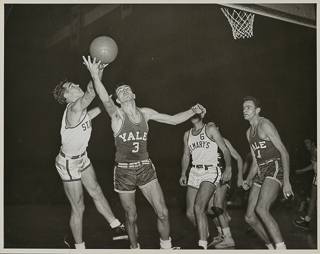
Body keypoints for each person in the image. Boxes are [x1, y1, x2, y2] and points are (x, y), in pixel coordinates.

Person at [82, 55, 206, 249]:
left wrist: (192, 111)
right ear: (118, 99)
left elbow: (172, 120)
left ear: (133, 95)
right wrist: (95, 77)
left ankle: (166, 248)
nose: (124, 91)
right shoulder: (117, 115)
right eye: (120, 91)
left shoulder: (145, 113)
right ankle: (135, 249)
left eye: (127, 89)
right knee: (131, 217)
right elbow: (105, 98)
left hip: (145, 168)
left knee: (163, 212)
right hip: (124, 172)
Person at [52, 68, 128, 249]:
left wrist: (106, 101)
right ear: (67, 96)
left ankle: (116, 226)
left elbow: (96, 109)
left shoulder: (82, 111)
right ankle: (79, 247)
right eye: (71, 86)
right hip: (68, 163)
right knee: (79, 207)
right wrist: (96, 72)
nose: (76, 84)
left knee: (96, 191)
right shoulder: (73, 108)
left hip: (82, 158)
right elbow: (91, 91)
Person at [242, 96, 294, 250]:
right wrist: (249, 179)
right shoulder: (248, 132)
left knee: (261, 209)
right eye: (243, 107)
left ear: (257, 110)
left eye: (248, 107)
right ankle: (271, 248)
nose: (244, 110)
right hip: (261, 170)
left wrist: (286, 182)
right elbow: (256, 161)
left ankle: (282, 249)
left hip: (274, 166)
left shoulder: (265, 125)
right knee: (250, 217)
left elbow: (284, 152)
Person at [179, 113, 232, 249]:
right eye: (192, 112)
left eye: (197, 111)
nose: (194, 114)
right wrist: (183, 173)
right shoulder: (187, 134)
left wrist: (228, 168)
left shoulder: (210, 129)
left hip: (210, 171)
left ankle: (202, 245)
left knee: (199, 207)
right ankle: (206, 234)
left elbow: (225, 149)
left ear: (203, 113)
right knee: (190, 213)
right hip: (194, 172)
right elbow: (186, 155)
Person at [206, 135, 243, 248]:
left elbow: (239, 158)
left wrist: (240, 176)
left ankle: (228, 237)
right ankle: (221, 233)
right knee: (209, 210)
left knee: (217, 206)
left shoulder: (223, 141)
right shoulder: (204, 140)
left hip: (223, 175)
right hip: (210, 176)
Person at [293, 137, 317, 229]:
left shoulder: (315, 151)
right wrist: (302, 170)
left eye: (308, 142)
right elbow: (314, 165)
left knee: (313, 199)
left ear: (313, 143)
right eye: (305, 143)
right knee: (313, 199)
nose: (306, 144)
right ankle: (307, 221)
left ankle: (307, 221)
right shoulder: (313, 152)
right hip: (317, 175)